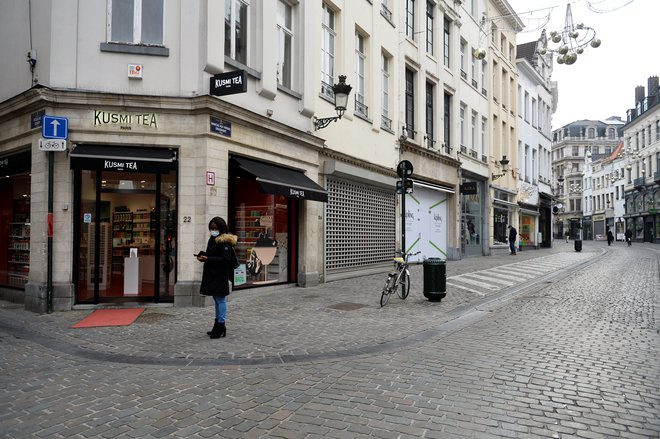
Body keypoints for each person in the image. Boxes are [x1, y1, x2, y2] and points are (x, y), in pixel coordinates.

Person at [197, 217, 238, 339]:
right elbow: (214, 254)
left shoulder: (224, 241)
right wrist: (204, 255)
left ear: (221, 228)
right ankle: (218, 325)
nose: (213, 230)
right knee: (216, 300)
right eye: (211, 228)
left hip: (220, 275)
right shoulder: (213, 239)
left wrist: (208, 259)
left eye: (215, 228)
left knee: (220, 300)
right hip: (213, 273)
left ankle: (220, 326)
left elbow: (226, 259)